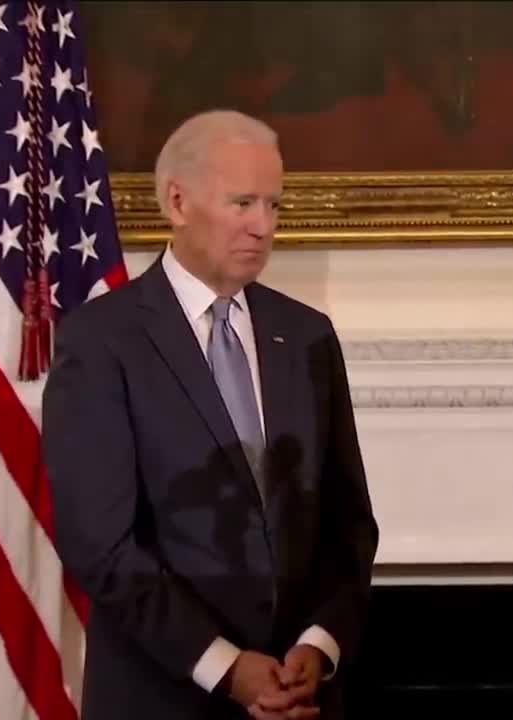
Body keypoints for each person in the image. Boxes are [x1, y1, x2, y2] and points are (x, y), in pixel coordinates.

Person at [43, 110, 379, 719]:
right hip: (163, 698)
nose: (263, 226)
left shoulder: (306, 335)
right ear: (177, 202)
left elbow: (349, 523)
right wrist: (226, 667)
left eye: (274, 206)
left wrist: (318, 644)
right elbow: (101, 546)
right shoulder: (101, 339)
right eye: (243, 202)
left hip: (302, 699)